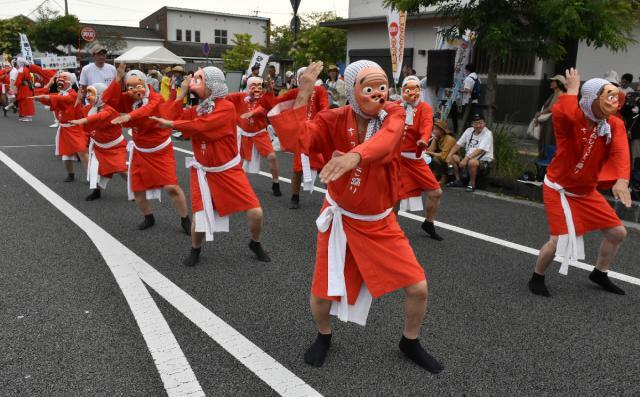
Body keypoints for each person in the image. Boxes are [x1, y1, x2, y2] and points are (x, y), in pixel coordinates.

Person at [268, 60, 443, 373]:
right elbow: (300, 140)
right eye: (368, 88)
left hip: (380, 221)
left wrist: (355, 155)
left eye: (382, 86)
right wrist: (304, 93)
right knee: (322, 295)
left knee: (418, 287)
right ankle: (324, 335)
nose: (378, 94)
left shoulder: (394, 113)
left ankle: (410, 341)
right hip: (340, 218)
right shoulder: (334, 118)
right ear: (351, 91)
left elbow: (389, 138)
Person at [149, 67, 271, 266]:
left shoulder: (226, 107)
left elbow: (203, 127)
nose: (196, 83)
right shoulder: (200, 108)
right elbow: (173, 114)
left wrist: (172, 124)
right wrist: (181, 93)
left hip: (228, 169)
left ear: (212, 85)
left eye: (200, 80)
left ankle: (255, 243)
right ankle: (195, 249)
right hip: (204, 171)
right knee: (199, 217)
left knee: (256, 213)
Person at [528, 69, 632, 297]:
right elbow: (562, 113)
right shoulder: (572, 120)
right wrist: (572, 91)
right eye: (607, 97)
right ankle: (537, 276)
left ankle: (600, 272)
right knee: (558, 241)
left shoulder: (612, 125)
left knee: (617, 233)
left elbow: (621, 151)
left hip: (586, 191)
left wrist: (622, 179)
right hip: (559, 189)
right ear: (591, 100)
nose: (612, 103)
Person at [105, 63, 190, 233]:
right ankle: (148, 217)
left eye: (137, 85)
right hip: (140, 150)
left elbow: (146, 111)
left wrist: (128, 115)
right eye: (129, 86)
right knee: (137, 188)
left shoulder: (155, 97)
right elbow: (108, 99)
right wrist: (118, 78)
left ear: (145, 83)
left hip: (160, 150)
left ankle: (185, 219)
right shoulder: (129, 98)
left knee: (171, 187)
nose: (134, 89)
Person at [268, 66, 330, 209]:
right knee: (297, 169)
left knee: (325, 169)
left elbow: (325, 108)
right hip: (301, 136)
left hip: (316, 134)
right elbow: (276, 102)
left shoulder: (320, 91)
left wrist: (315, 124)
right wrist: (270, 91)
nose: (304, 78)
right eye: (301, 76)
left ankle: (331, 198)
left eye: (306, 75)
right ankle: (294, 197)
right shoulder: (296, 92)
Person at [396, 76, 444, 240]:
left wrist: (424, 139)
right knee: (394, 194)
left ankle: (428, 223)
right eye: (407, 88)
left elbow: (426, 125)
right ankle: (390, 227)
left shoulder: (425, 108)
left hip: (415, 159)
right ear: (403, 90)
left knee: (436, 192)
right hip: (395, 158)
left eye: (415, 88)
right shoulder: (395, 106)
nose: (411, 92)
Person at [68, 83, 128, 201]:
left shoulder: (109, 109)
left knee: (121, 170)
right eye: (88, 93)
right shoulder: (91, 108)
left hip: (114, 146)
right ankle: (96, 192)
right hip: (98, 146)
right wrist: (78, 100)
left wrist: (83, 120)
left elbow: (99, 117)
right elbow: (77, 113)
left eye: (92, 93)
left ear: (101, 95)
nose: (88, 96)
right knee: (95, 169)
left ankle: (136, 189)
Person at [226, 76, 282, 196]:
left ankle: (276, 183)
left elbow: (267, 107)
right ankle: (237, 185)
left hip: (259, 132)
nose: (256, 88)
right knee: (237, 161)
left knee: (272, 157)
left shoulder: (263, 98)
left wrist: (270, 91)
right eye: (253, 85)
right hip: (243, 133)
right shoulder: (239, 96)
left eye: (259, 86)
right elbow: (223, 98)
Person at [32, 72, 89, 181]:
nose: (60, 80)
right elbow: (48, 99)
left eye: (64, 78)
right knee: (66, 154)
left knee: (82, 152)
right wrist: (47, 87)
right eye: (59, 78)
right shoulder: (60, 94)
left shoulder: (73, 95)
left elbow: (62, 100)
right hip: (64, 128)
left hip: (75, 127)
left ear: (70, 82)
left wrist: (46, 96)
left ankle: (90, 177)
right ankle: (70, 174)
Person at [446, 113, 494, 192]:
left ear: (484, 123)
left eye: (481, 123)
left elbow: (480, 150)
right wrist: (449, 155)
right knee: (453, 157)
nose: (478, 125)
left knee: (472, 162)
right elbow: (458, 144)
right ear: (472, 124)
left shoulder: (488, 133)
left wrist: (466, 159)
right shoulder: (469, 131)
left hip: (484, 162)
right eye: (476, 123)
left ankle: (472, 184)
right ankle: (458, 180)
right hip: (468, 159)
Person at [534, 75, 567, 158]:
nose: (551, 82)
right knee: (547, 140)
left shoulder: (559, 93)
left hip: (551, 122)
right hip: (550, 121)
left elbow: (551, 108)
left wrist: (540, 114)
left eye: (553, 81)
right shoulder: (556, 93)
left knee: (548, 140)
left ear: (559, 83)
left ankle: (547, 158)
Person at [426, 120, 457, 185]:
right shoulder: (437, 137)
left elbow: (443, 155)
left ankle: (444, 177)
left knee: (436, 159)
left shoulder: (449, 139)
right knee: (427, 157)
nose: (433, 131)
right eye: (433, 129)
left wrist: (430, 153)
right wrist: (434, 139)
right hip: (443, 157)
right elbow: (430, 151)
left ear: (442, 131)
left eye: (436, 129)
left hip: (451, 159)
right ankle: (432, 175)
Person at [457, 63, 480, 134]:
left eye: (466, 70)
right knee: (472, 118)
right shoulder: (477, 78)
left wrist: (460, 90)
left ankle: (467, 133)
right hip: (475, 100)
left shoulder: (468, 79)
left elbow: (467, 90)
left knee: (466, 118)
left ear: (468, 70)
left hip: (468, 101)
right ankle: (472, 132)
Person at [14, 57, 35, 122]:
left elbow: (18, 81)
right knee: (27, 101)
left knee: (24, 102)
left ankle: (27, 116)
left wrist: (15, 86)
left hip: (23, 88)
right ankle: (27, 116)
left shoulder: (21, 70)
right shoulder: (26, 69)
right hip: (27, 87)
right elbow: (29, 78)